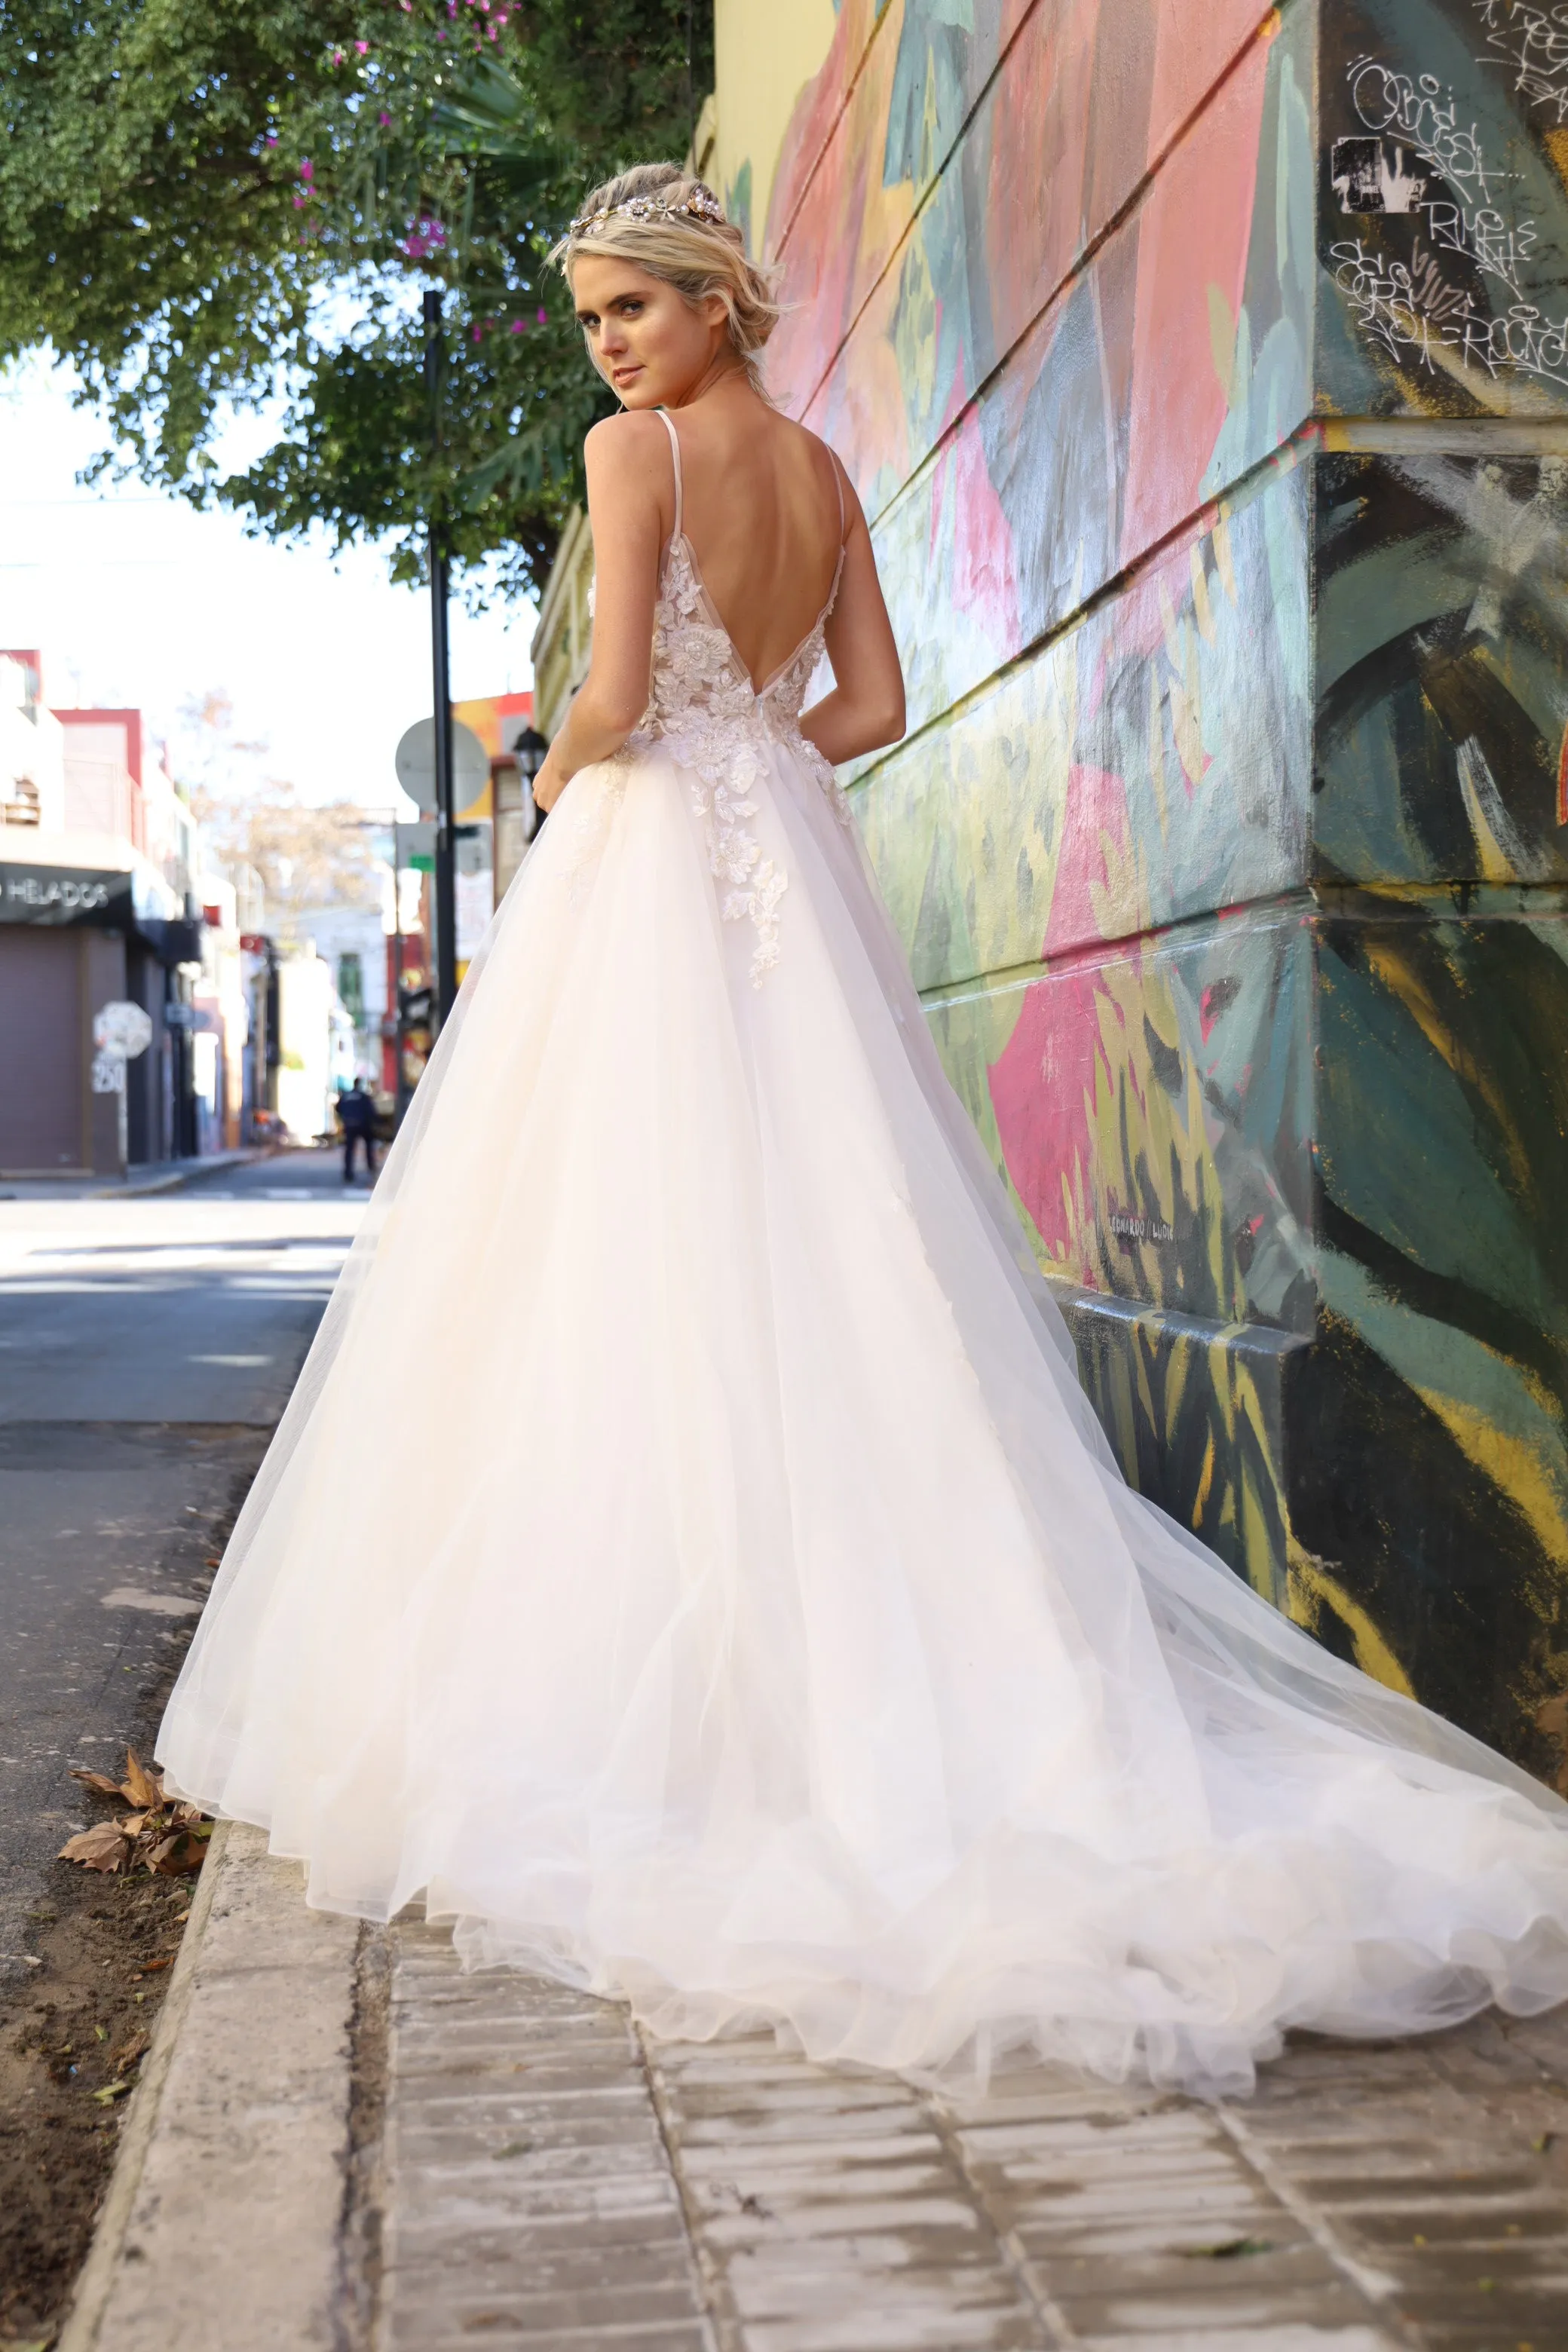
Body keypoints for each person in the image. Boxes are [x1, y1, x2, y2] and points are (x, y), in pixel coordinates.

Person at [158, 165, 1568, 2096]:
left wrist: (575, 785)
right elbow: (874, 699)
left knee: (611, 1238)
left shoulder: (632, 453)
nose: (607, 348)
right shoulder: (821, 469)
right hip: (781, 867)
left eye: (628, 311)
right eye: (590, 321)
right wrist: (756, 767)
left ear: (711, 302)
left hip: (652, 863)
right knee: (831, 1230)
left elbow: (612, 687)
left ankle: (626, 1688)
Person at [336, 1077, 377, 1184]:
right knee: (368, 1145)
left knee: (349, 1149)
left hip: (349, 1124)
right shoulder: (363, 1097)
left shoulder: (346, 1096)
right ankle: (370, 1167)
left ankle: (348, 1173)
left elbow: (338, 1108)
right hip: (362, 1124)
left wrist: (344, 1118)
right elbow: (371, 1111)